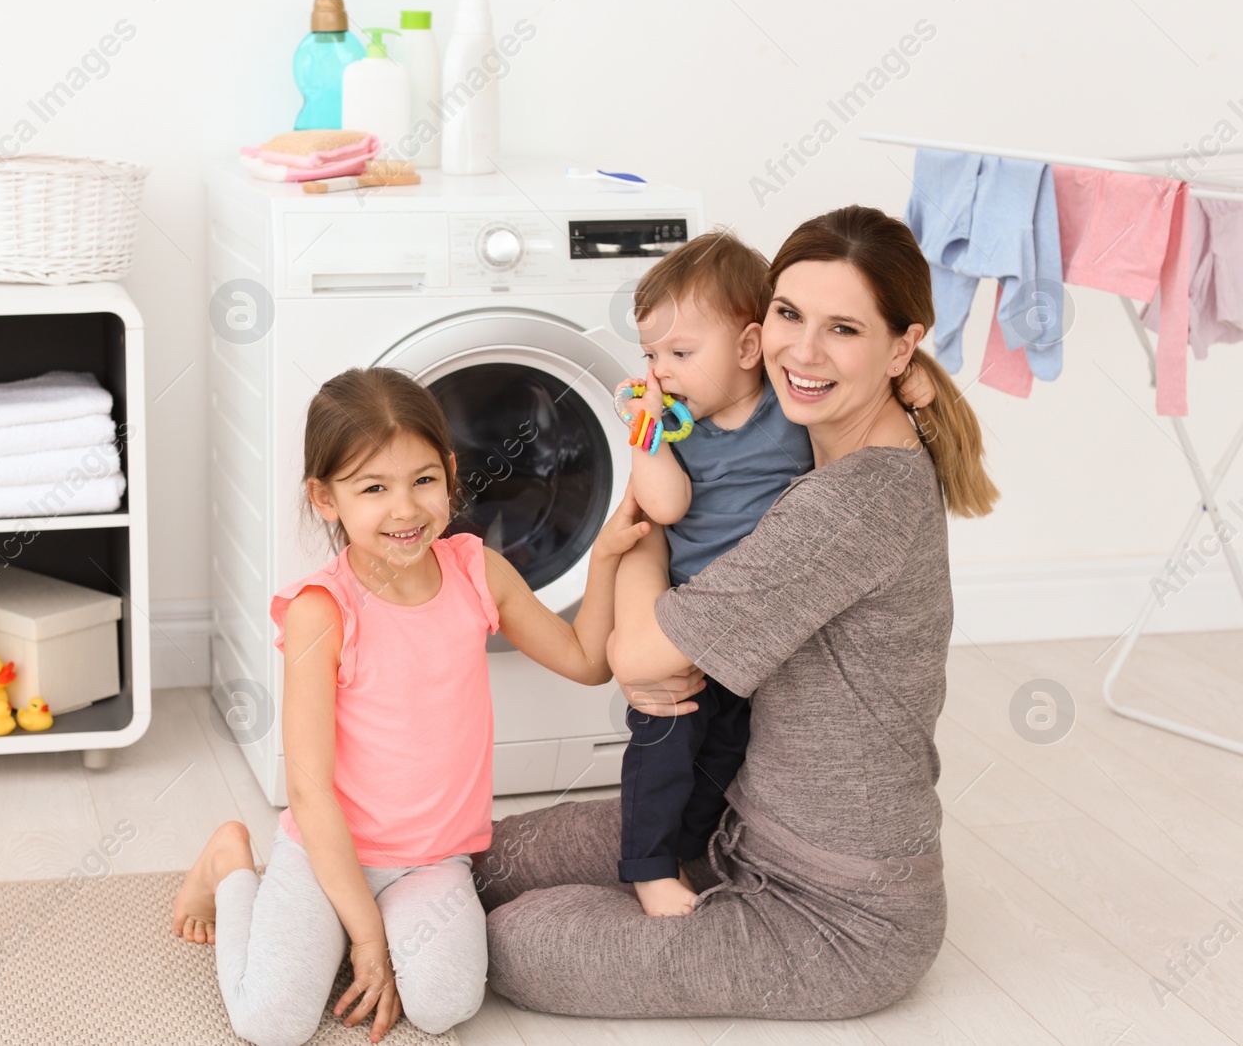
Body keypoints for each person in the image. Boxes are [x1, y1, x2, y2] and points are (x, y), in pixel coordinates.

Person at [472, 205, 999, 1020]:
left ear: (902, 346)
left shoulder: (853, 503)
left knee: (514, 935)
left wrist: (645, 530)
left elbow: (646, 661)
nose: (803, 350)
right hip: (725, 822)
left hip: (836, 914)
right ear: (758, 324)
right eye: (789, 315)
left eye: (844, 330)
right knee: (479, 859)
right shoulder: (830, 444)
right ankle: (288, 881)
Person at [172, 367, 648, 1046]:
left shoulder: (477, 572)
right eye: (373, 487)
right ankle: (231, 868)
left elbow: (585, 658)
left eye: (423, 480)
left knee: (445, 1001)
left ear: (451, 473)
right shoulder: (321, 610)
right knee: (271, 1022)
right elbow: (308, 790)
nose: (405, 509)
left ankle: (348, 929)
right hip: (326, 849)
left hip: (431, 858)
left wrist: (602, 560)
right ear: (325, 497)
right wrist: (366, 935)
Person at [614, 229, 933, 917]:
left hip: (750, 637)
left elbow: (898, 391)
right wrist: (643, 431)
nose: (659, 370)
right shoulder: (682, 428)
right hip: (697, 623)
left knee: (724, 751)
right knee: (664, 745)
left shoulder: (792, 411)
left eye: (678, 352)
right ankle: (649, 865)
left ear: (747, 348)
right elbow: (662, 506)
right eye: (649, 354)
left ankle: (686, 849)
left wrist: (914, 370)